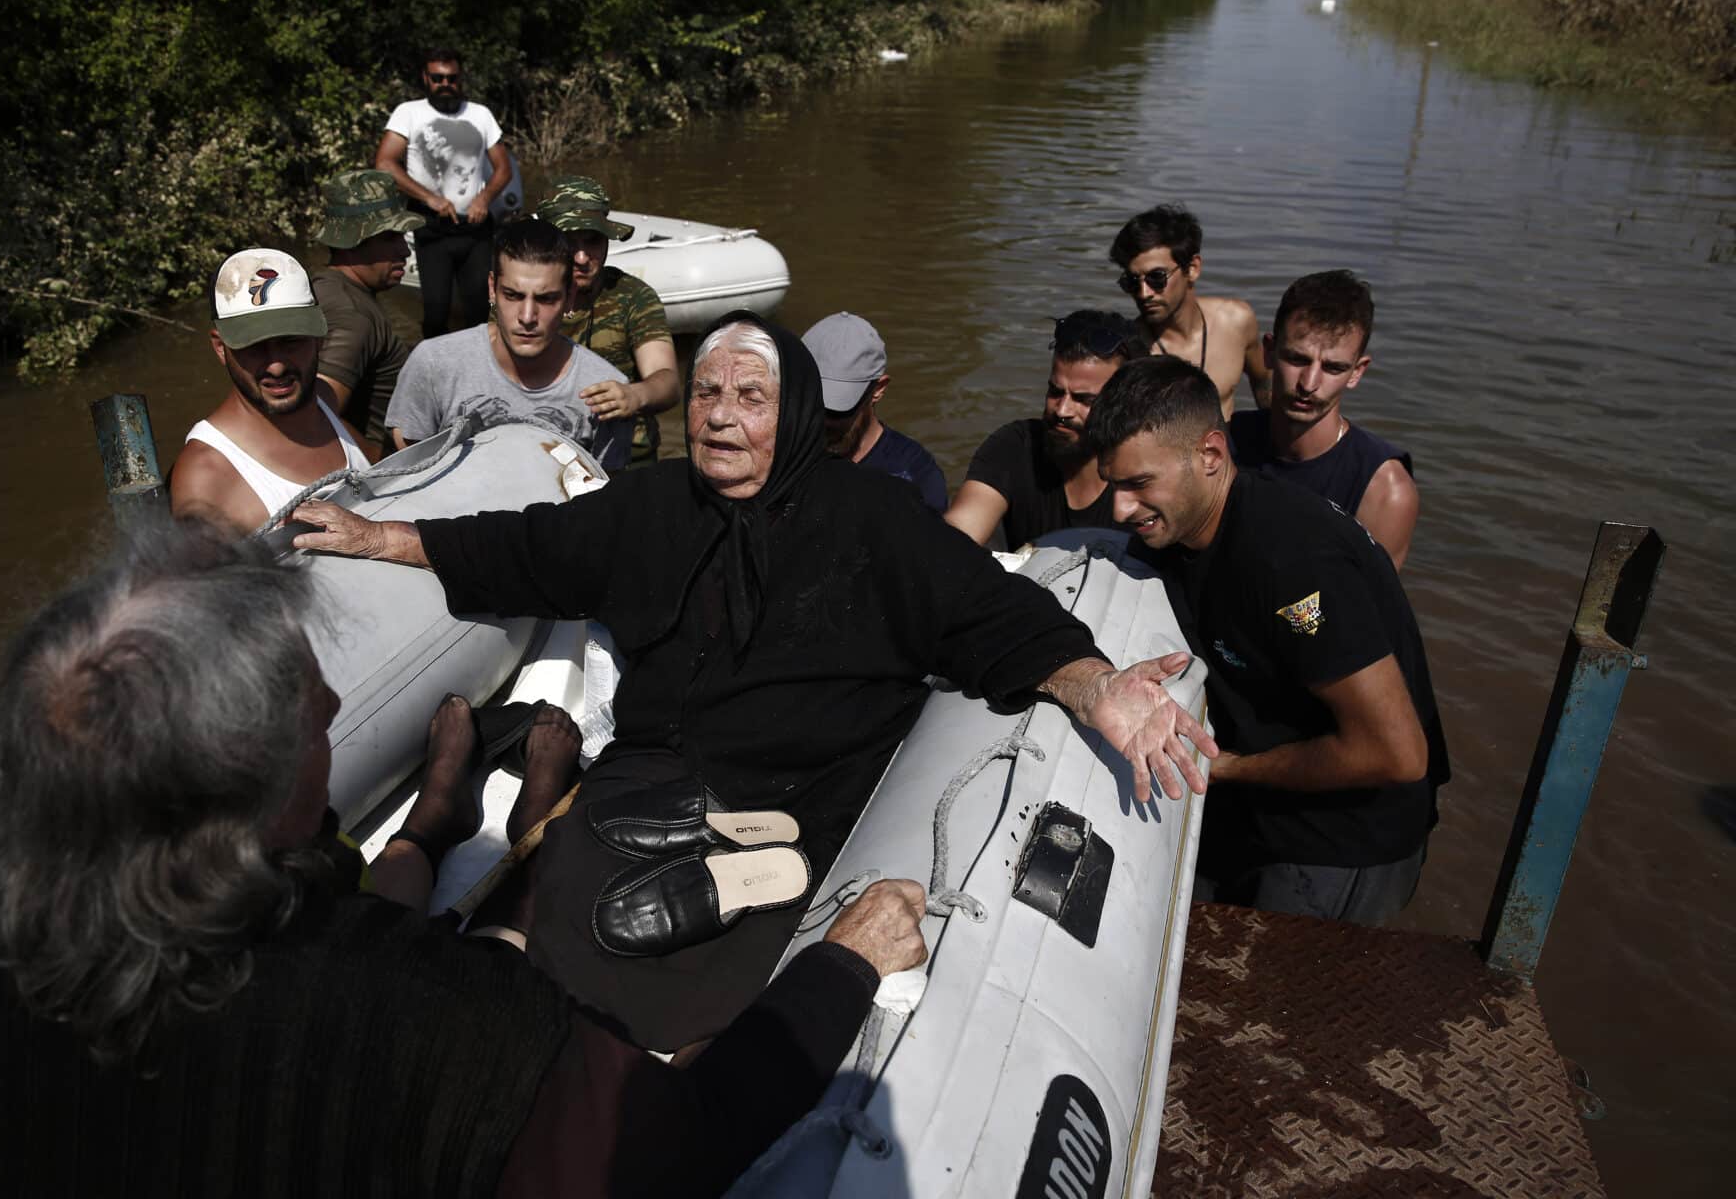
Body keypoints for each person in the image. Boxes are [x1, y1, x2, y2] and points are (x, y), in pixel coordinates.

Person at [0, 521, 935, 1198]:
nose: (335, 707)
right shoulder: (438, 1016)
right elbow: (678, 1145)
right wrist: (838, 965)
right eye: (305, 713)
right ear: (244, 778)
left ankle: (448, 818)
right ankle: (520, 818)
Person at [290, 312, 1216, 1054]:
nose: (720, 415)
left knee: (680, 990)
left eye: (751, 396)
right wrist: (383, 537)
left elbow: (995, 615)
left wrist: (1098, 689)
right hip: (645, 779)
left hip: (792, 807)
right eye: (706, 393)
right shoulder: (650, 506)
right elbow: (522, 548)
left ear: (800, 412)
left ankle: (647, 1075)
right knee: (538, 931)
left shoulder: (875, 520)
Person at [1089, 356, 1450, 926]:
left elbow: (1397, 754)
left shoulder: (1292, 564)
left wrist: (1227, 768)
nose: (1118, 508)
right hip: (1255, 810)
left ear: (1210, 454)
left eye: (1138, 484)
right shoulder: (1183, 531)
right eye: (1112, 484)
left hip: (1341, 841)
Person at [385, 218, 634, 471]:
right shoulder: (433, 364)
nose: (527, 317)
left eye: (546, 299)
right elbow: (406, 472)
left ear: (569, 297)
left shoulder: (606, 392)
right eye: (513, 295)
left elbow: (606, 496)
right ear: (492, 289)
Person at [1228, 270, 1420, 570]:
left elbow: (1364, 610)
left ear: (1357, 371)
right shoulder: (1227, 442)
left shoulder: (1384, 490)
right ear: (1268, 351)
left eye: (1333, 368)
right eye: (1297, 359)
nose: (1309, 383)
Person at [170, 248, 370, 532]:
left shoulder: (322, 400)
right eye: (254, 347)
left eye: (291, 341)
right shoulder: (206, 479)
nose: (276, 367)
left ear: (318, 338)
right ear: (220, 348)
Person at [945, 310, 1147, 549]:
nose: (1062, 411)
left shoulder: (1149, 471)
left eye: (1084, 400)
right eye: (1055, 392)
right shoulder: (1016, 446)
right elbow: (955, 539)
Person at [534, 176, 680, 467]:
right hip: (546, 455)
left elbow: (668, 380)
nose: (582, 257)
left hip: (625, 459)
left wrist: (636, 394)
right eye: (569, 242)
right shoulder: (522, 298)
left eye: (593, 241)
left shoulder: (633, 296)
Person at [374, 47, 513, 338]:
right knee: (436, 311)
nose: (445, 84)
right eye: (438, 78)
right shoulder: (409, 113)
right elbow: (385, 163)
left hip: (475, 227)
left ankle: (482, 371)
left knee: (480, 310)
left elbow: (503, 169)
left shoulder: (480, 114)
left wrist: (484, 198)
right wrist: (429, 198)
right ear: (426, 78)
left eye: (451, 78)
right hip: (432, 227)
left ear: (461, 79)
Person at [1110, 204, 1267, 417]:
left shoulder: (1236, 322)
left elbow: (1264, 383)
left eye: (1156, 277)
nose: (1143, 293)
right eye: (1132, 281)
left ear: (1192, 269)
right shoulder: (1129, 351)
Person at [310, 168, 422, 453]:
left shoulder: (318, 286)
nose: (405, 251)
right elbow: (314, 415)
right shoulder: (353, 317)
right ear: (352, 241)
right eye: (389, 238)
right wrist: (376, 468)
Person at [800, 312, 946, 510]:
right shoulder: (777, 452)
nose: (825, 421)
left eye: (837, 410)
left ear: (878, 389)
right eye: (813, 406)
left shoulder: (913, 475)